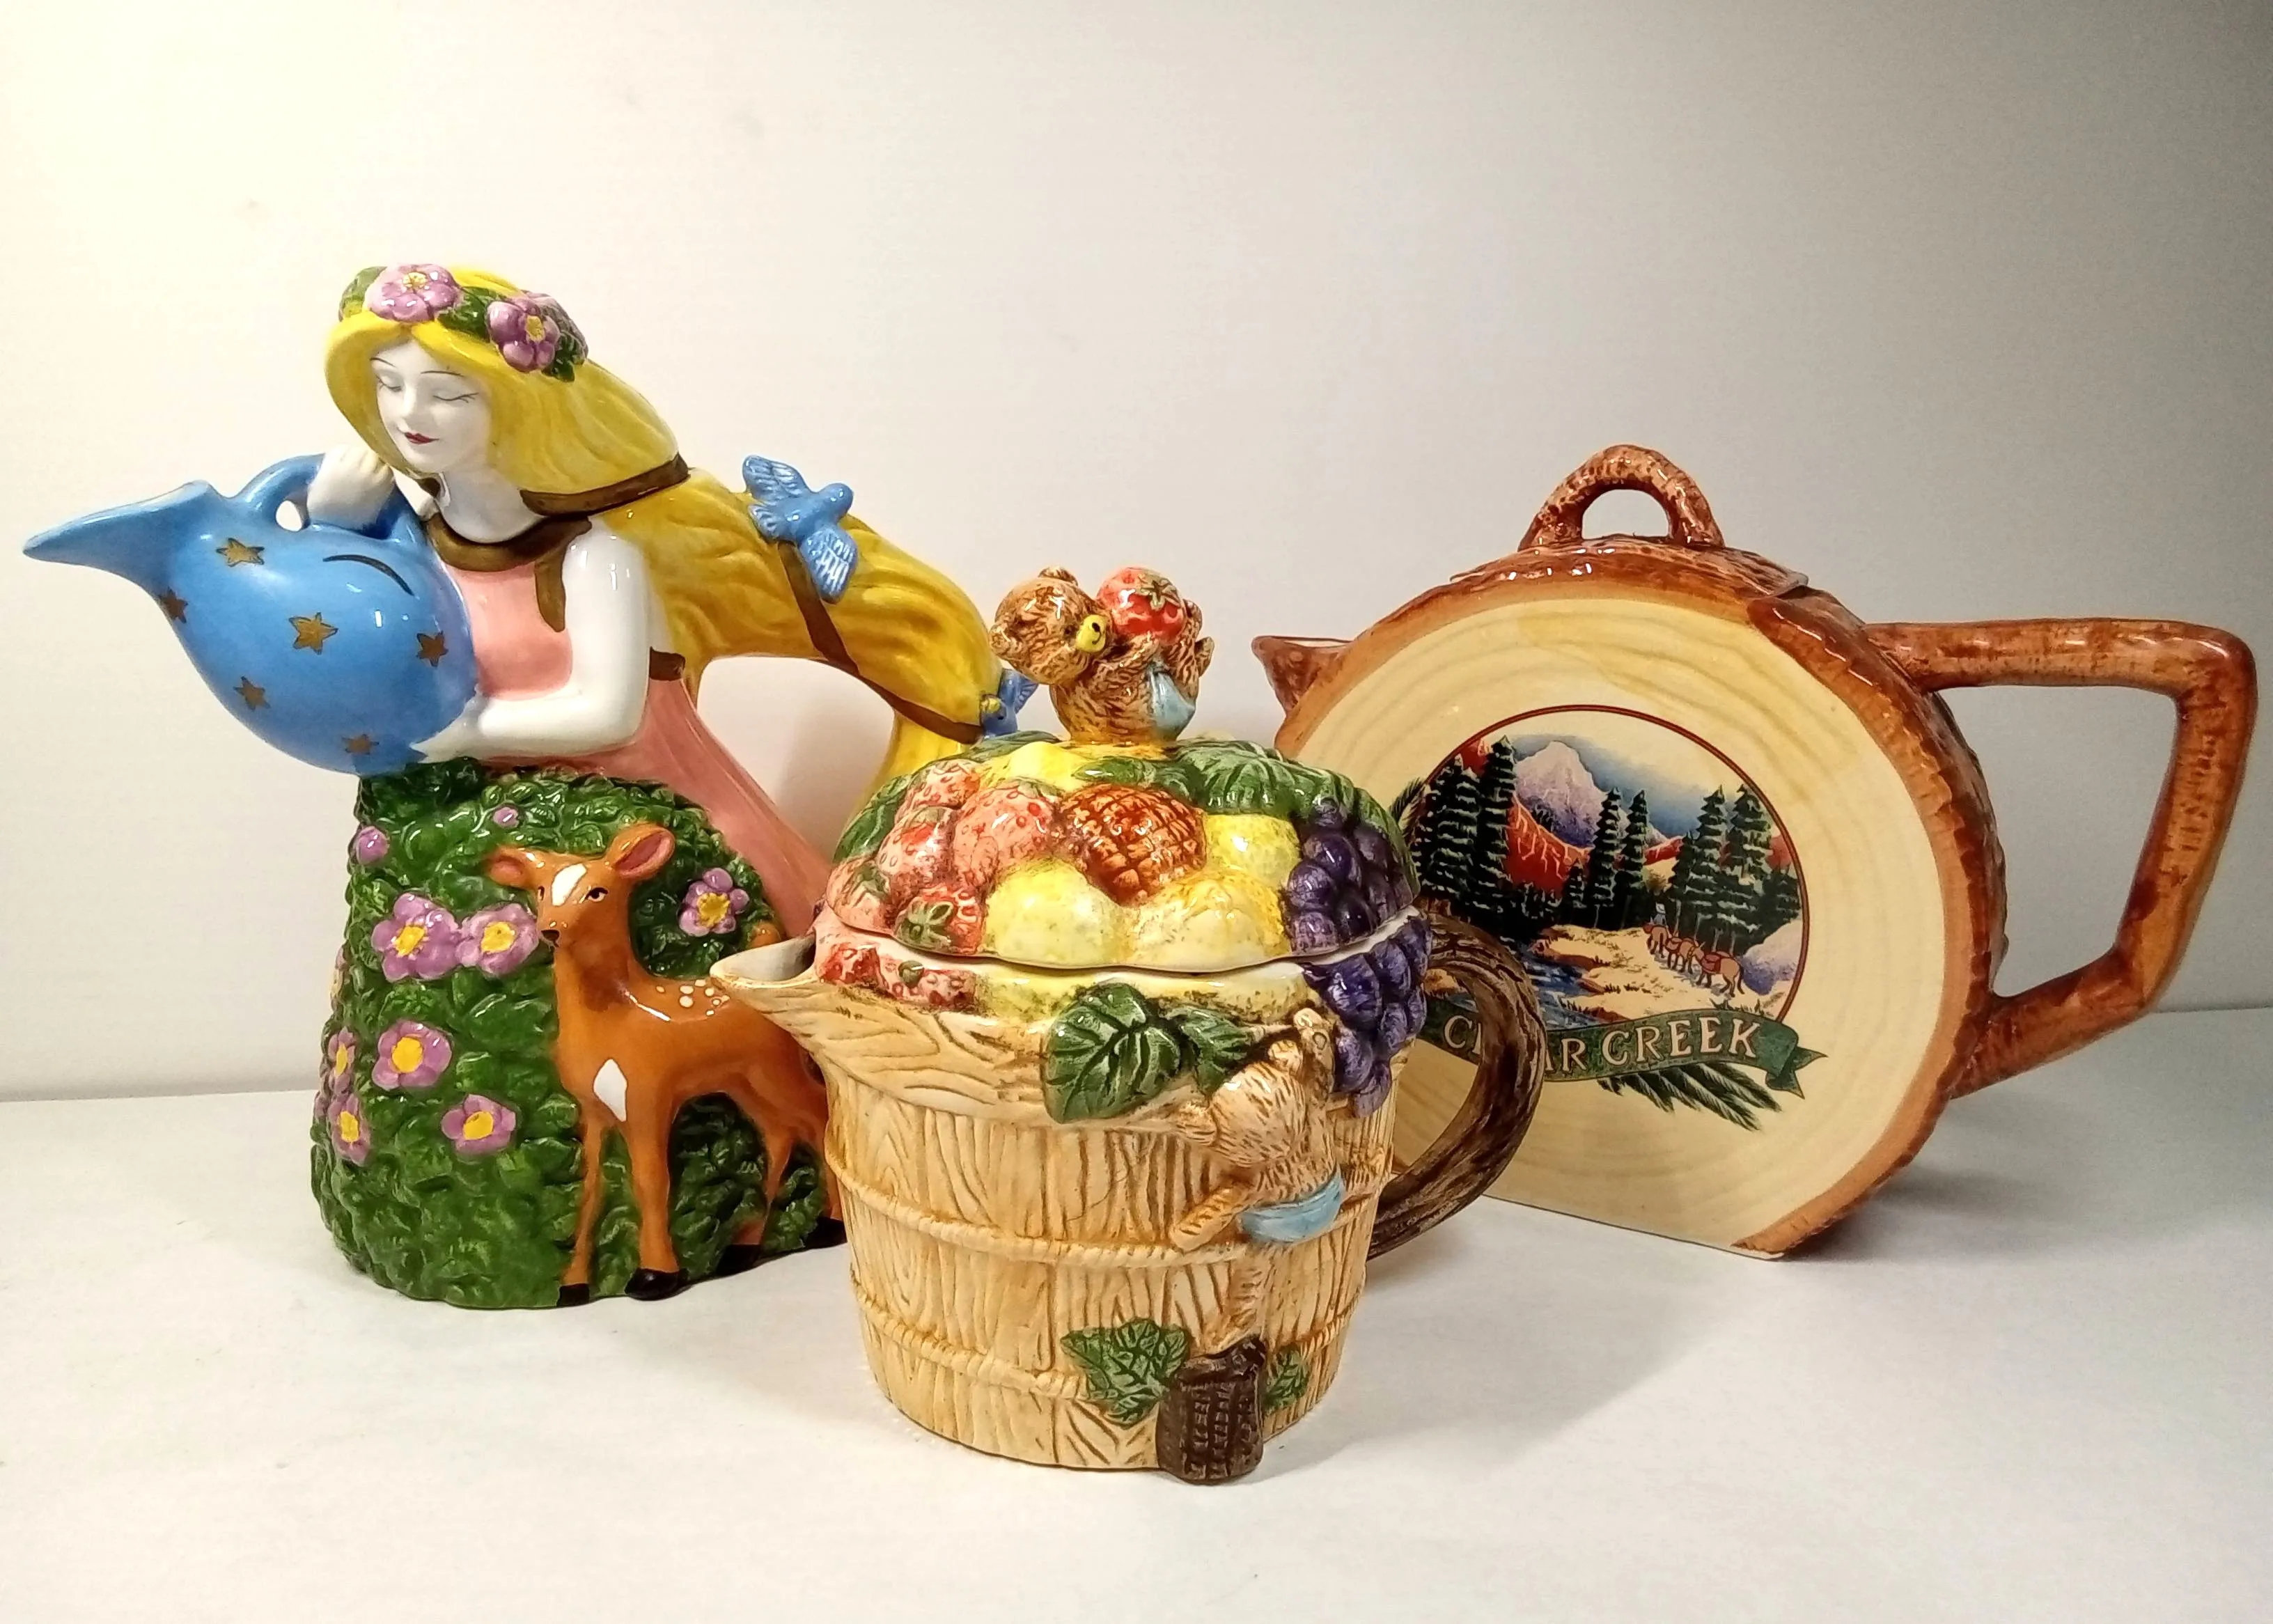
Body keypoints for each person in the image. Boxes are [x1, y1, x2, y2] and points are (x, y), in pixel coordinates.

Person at [306, 262, 1000, 923]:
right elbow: (343, 639)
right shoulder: (417, 540)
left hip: (637, 819)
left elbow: (608, 714)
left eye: (449, 393)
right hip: (473, 830)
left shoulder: (593, 555)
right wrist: (335, 524)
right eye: (388, 384)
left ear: (518, 405)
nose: (409, 412)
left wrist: (459, 733)